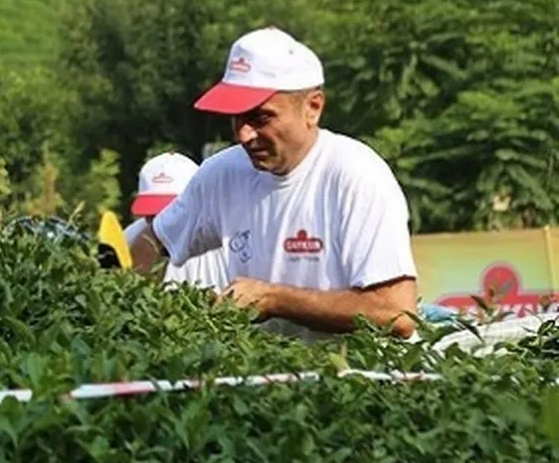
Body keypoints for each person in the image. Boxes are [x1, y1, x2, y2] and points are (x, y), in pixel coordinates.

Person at [128, 27, 420, 341]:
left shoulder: (355, 176)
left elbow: (397, 314)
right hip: (278, 380)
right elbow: (153, 241)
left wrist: (274, 299)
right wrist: (136, 312)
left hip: (369, 384)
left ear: (313, 107)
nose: (244, 135)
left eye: (261, 118)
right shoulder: (222, 174)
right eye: (236, 118)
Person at [123, 151, 227, 292]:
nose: (162, 222)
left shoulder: (225, 239)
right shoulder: (130, 237)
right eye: (153, 213)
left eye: (173, 212)